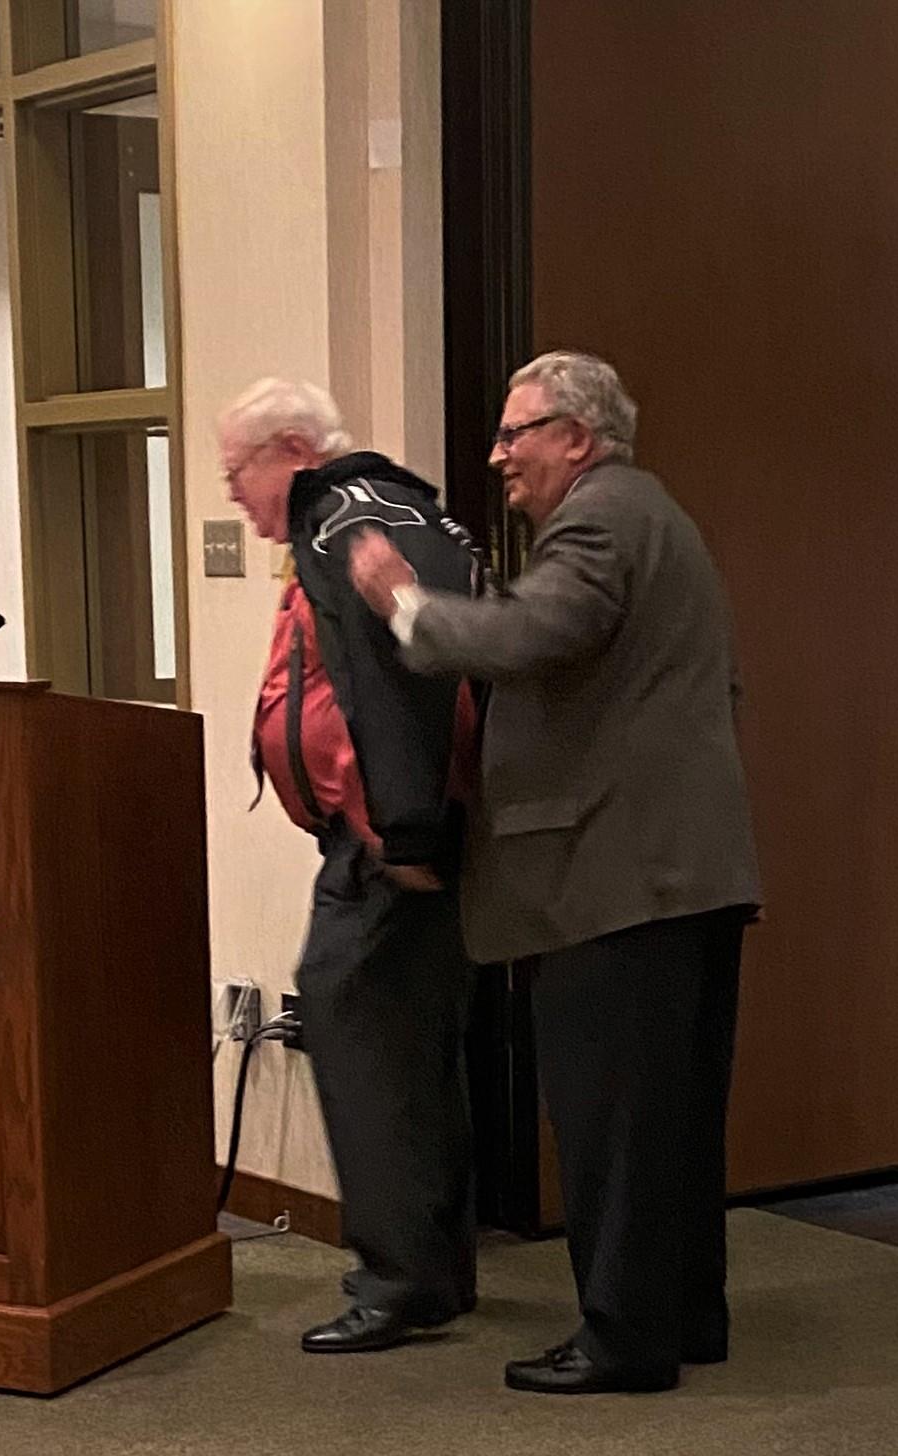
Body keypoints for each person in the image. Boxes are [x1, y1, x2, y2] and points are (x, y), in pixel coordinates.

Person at [349, 350, 762, 1394]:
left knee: (613, 1128)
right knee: (667, 1125)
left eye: (514, 433)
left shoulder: (600, 518)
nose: (497, 457)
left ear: (576, 436)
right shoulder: (653, 516)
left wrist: (406, 604)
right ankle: (680, 1317)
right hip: (677, 876)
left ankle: (623, 1340)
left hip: (617, 881)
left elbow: (533, 634)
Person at [218, 377, 484, 1353]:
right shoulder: (371, 513)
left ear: (292, 449)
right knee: (405, 1045)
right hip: (385, 833)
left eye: (237, 472)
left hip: (387, 840)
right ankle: (432, 1272)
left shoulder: (347, 520)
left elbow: (398, 682)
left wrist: (405, 835)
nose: (234, 495)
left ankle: (398, 1280)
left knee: (356, 1028)